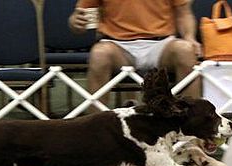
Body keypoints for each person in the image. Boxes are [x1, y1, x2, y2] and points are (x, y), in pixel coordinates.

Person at [68, 0, 201, 108]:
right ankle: (97, 130)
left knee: (185, 51)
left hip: (161, 43)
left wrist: (189, 37)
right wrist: (76, 22)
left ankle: (191, 128)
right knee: (99, 55)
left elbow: (184, 14)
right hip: (117, 45)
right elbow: (78, 17)